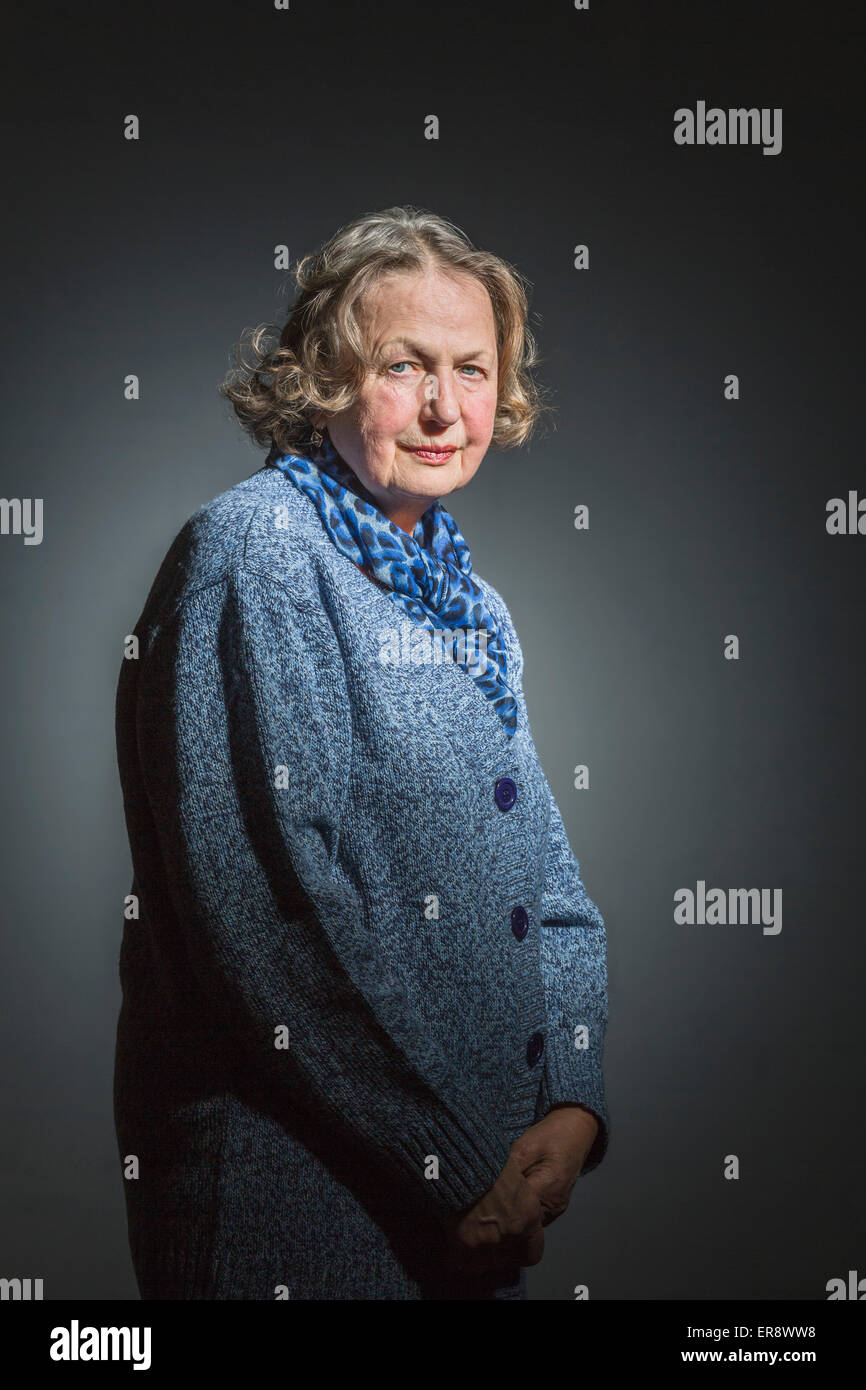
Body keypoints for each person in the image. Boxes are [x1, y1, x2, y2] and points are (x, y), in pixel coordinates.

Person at [113, 204, 610, 1300]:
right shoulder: (255, 554)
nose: (443, 406)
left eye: (472, 369)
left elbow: (553, 889)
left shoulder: (475, 607)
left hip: (473, 1198)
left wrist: (572, 1104)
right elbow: (270, 918)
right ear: (322, 380)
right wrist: (458, 1164)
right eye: (403, 365)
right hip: (301, 1195)